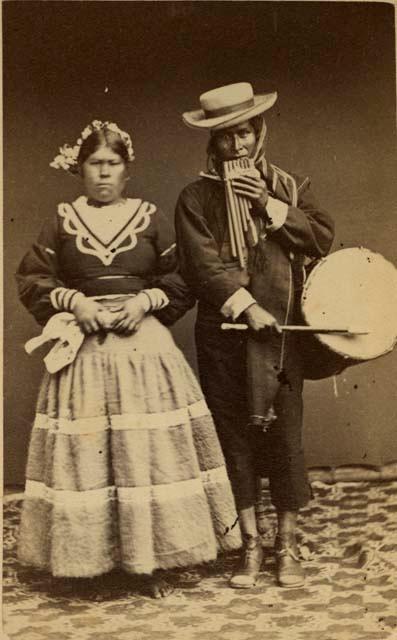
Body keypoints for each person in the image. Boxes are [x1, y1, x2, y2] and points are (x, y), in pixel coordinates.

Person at [16, 119, 241, 599]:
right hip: (85, 354)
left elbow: (185, 275)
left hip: (144, 349)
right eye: (94, 164)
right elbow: (33, 278)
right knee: (91, 456)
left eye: (112, 164)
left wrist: (144, 303)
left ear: (126, 169)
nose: (103, 174)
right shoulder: (61, 219)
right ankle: (89, 566)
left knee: (146, 456)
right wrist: (76, 303)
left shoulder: (149, 217)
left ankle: (149, 563)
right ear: (79, 169)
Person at [175, 83, 335, 589]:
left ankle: (286, 546)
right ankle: (250, 546)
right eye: (226, 137)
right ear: (213, 144)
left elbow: (322, 236)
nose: (237, 146)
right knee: (236, 438)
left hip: (280, 339)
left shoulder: (287, 186)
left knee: (286, 438)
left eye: (244, 132)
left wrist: (269, 206)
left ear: (259, 131)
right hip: (223, 336)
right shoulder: (195, 197)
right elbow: (202, 265)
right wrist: (246, 306)